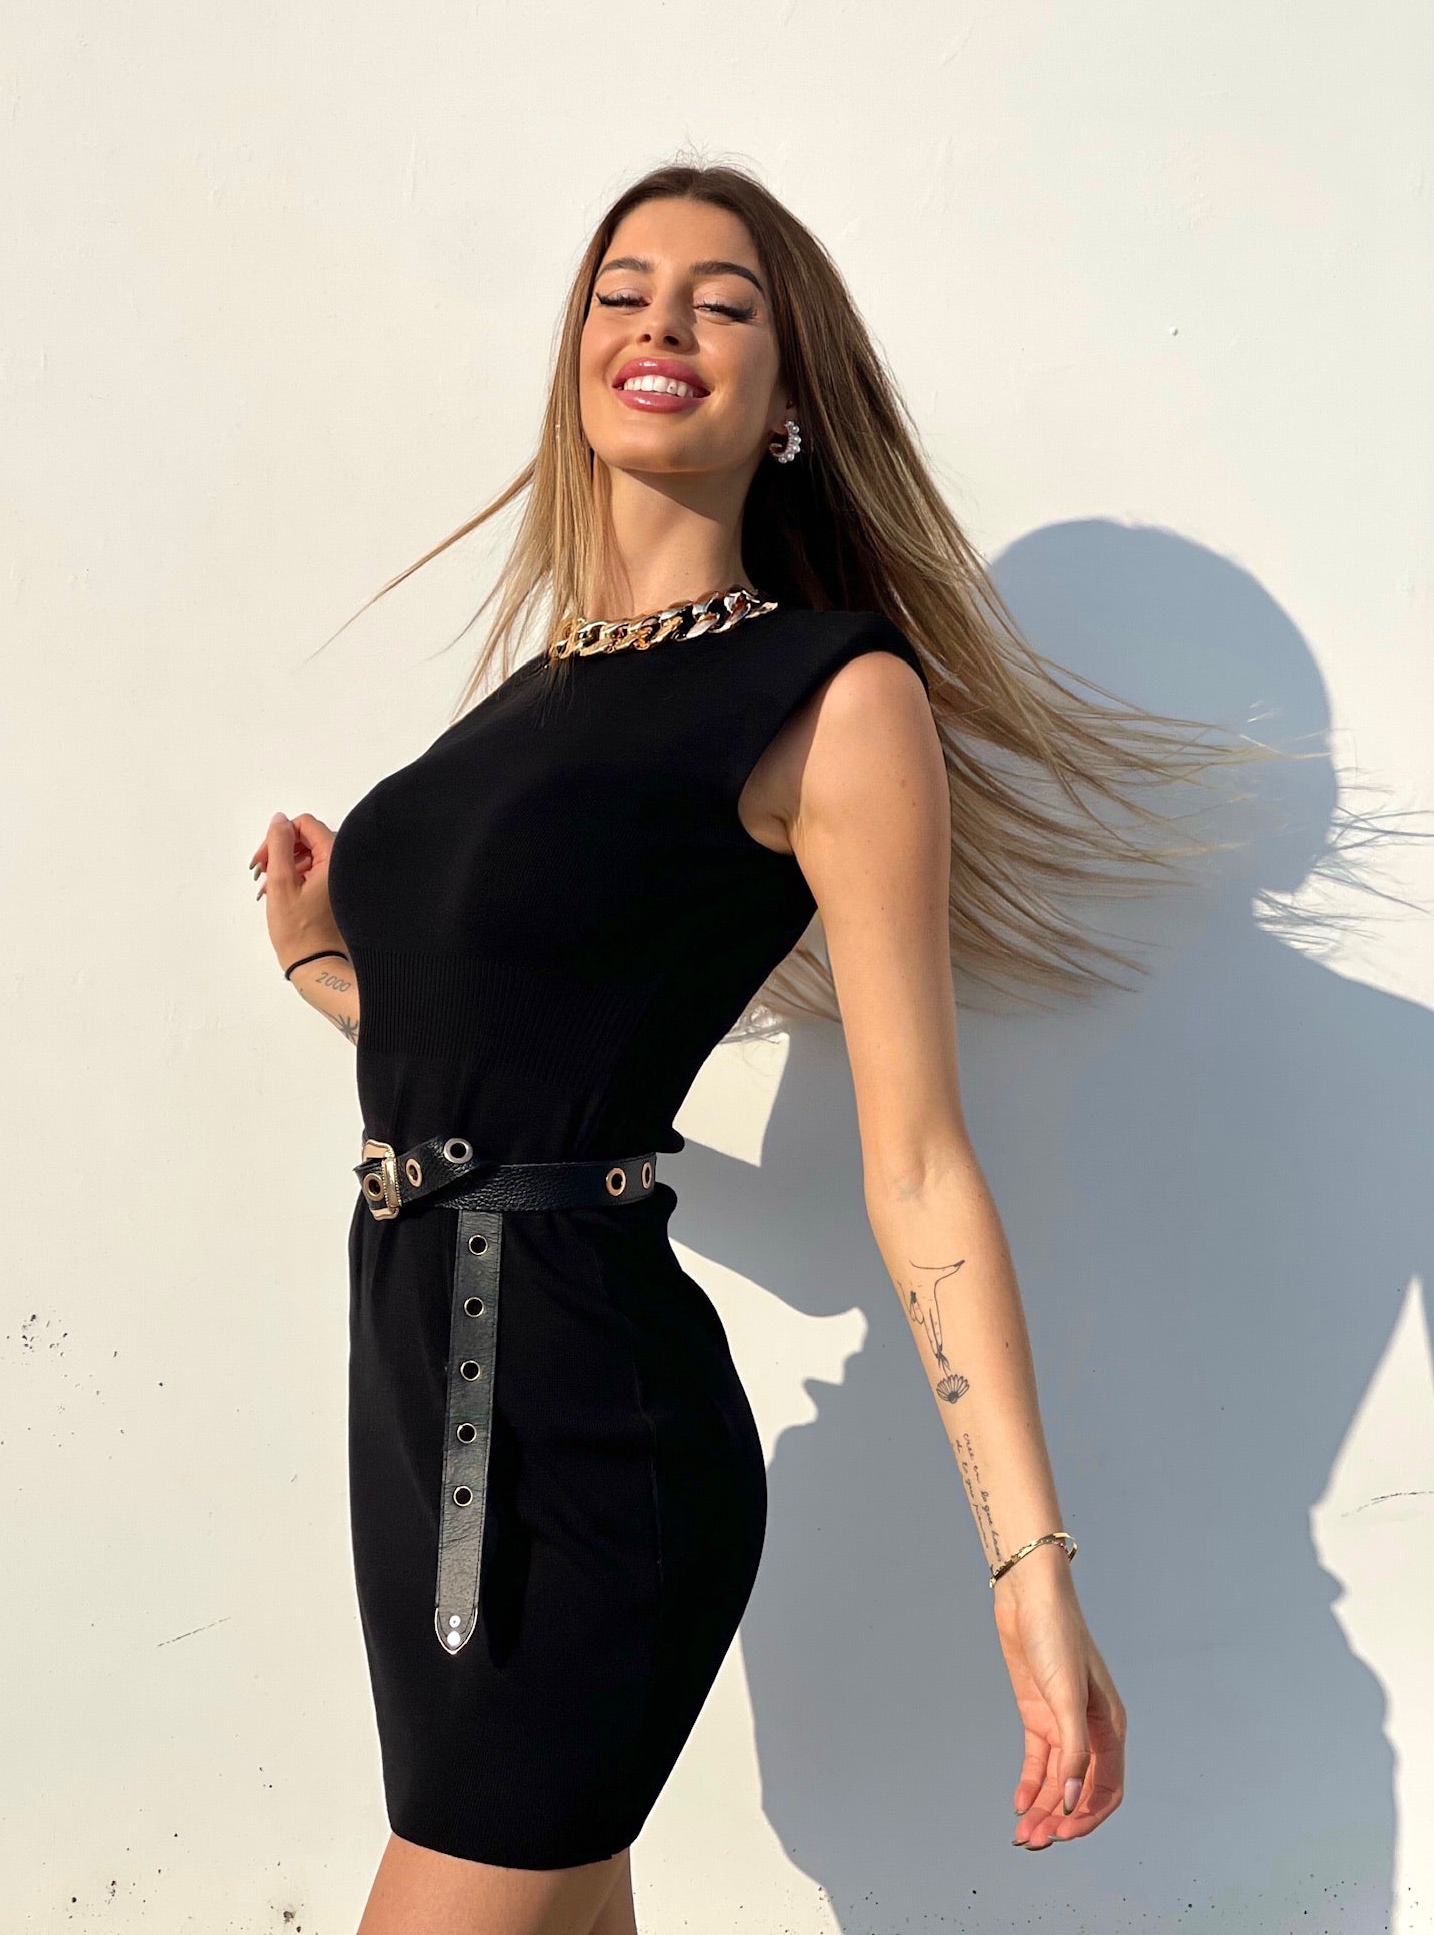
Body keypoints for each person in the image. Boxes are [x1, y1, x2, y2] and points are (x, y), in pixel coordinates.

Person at [250, 160, 1219, 1935]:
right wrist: (330, 968)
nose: (663, 322)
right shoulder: (537, 691)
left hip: (574, 1423)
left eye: (724, 300)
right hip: (425, 1398)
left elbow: (915, 1161)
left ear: (787, 398)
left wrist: (1028, 1570)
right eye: (622, 289)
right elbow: (515, 1062)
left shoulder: (831, 697)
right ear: (575, 355)